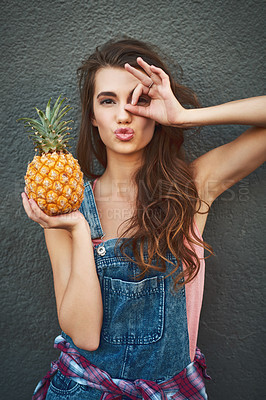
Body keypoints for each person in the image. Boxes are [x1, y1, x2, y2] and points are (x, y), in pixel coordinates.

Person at [21, 38, 266, 400]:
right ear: (92, 115)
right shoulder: (67, 208)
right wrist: (77, 229)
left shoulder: (192, 189)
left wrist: (182, 116)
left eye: (140, 100)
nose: (124, 115)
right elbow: (85, 336)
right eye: (108, 101)